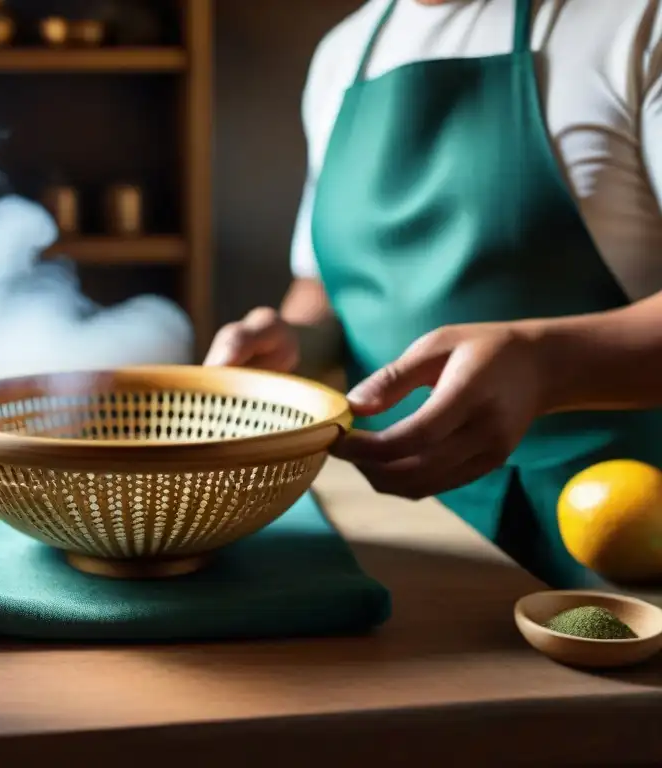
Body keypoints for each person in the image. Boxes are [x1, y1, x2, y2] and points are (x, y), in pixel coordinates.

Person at [204, 0, 662, 589]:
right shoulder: (345, 53)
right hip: (404, 536)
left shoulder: (635, 22)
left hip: (617, 536)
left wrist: (544, 365)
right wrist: (298, 341)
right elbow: (322, 284)